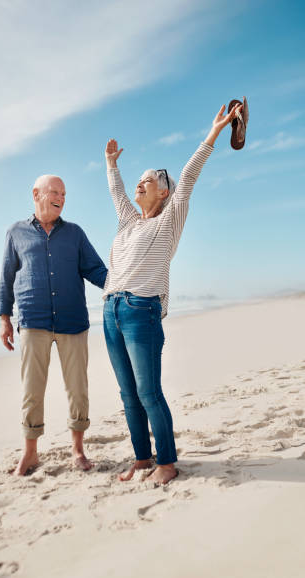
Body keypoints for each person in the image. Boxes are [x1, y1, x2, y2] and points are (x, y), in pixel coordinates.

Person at [103, 103, 242, 485]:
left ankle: (166, 461)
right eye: (139, 180)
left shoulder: (170, 219)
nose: (140, 183)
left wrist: (213, 133)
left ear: (164, 191)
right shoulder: (129, 221)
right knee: (128, 393)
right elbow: (117, 193)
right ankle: (143, 459)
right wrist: (111, 164)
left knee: (149, 391)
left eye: (148, 180)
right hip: (110, 309)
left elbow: (190, 174)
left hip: (140, 311)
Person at [0, 174, 107, 475]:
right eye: (55, 191)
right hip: (33, 321)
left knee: (78, 389)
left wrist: (121, 284)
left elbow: (96, 270)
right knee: (32, 390)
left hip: (73, 321)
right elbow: (7, 278)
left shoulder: (75, 233)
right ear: (36, 194)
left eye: (64, 193)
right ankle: (30, 453)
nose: (61, 197)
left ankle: (78, 449)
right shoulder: (15, 233)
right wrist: (5, 320)